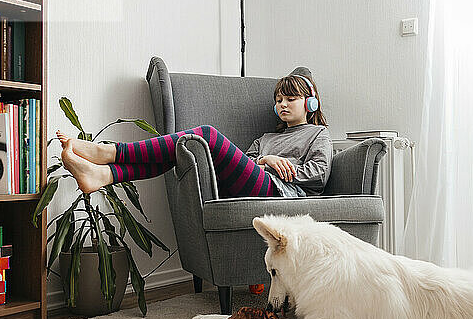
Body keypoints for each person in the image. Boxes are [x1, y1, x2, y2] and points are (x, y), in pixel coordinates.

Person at [56, 67, 333, 293]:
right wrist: (266, 160)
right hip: (252, 185)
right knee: (183, 150)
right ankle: (105, 173)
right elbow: (248, 164)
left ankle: (108, 155)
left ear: (310, 103)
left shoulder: (317, 134)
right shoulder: (266, 139)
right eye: (279, 100)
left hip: (280, 193)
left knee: (205, 135)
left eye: (290, 99)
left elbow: (319, 175)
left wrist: (276, 168)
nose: (282, 104)